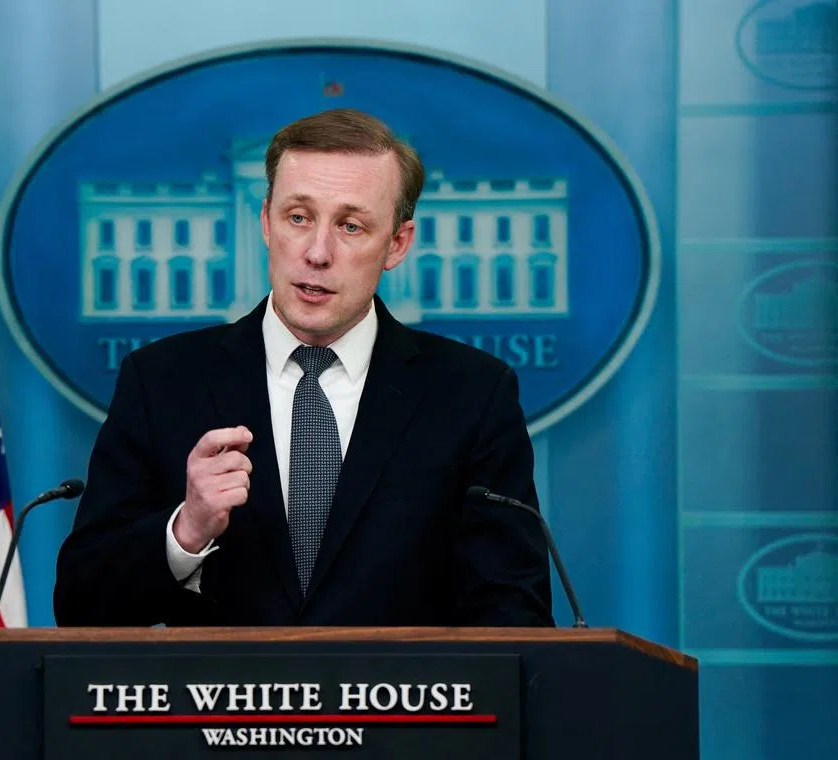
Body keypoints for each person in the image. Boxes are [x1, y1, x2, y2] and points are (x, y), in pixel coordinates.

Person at [53, 108, 554, 627]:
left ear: (397, 244)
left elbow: (515, 619)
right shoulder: (160, 381)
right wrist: (187, 531)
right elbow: (82, 607)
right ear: (266, 221)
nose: (317, 253)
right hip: (216, 708)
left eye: (351, 226)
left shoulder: (472, 394)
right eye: (299, 217)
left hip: (398, 707)